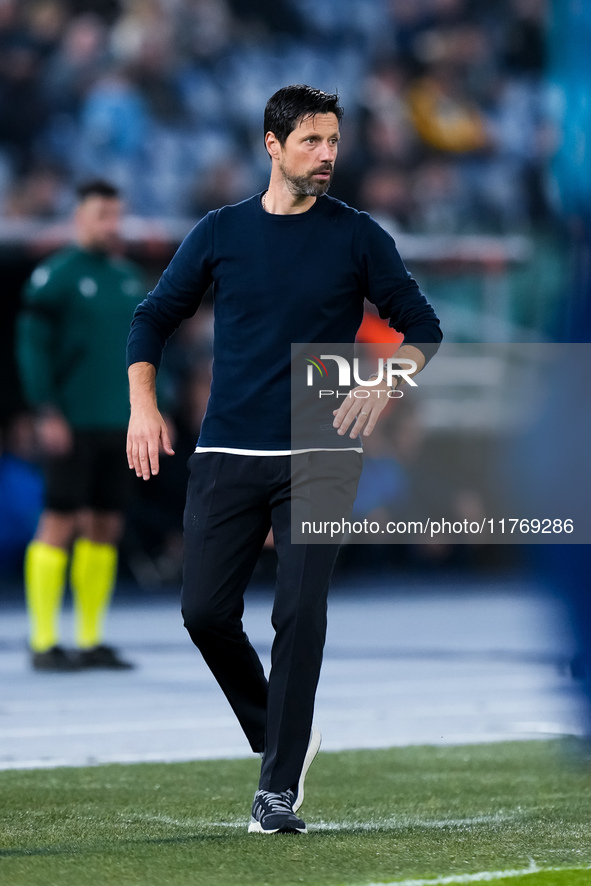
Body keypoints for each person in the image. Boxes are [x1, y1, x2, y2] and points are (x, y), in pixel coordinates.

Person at [126, 85, 442, 834]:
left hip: (321, 451)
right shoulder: (220, 232)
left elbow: (422, 326)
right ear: (271, 146)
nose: (327, 153)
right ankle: (281, 737)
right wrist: (144, 404)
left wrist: (383, 379)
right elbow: (152, 318)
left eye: (333, 140)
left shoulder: (357, 236)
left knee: (299, 611)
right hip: (229, 447)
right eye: (310, 141)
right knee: (203, 611)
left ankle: (274, 791)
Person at [17, 179, 145, 671]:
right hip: (71, 419)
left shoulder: (130, 278)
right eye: (101, 216)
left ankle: (91, 638)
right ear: (79, 218)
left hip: (120, 419)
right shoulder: (56, 276)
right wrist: (44, 408)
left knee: (106, 523)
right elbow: (32, 346)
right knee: (60, 520)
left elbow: (151, 351)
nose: (110, 225)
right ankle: (44, 640)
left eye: (116, 216)